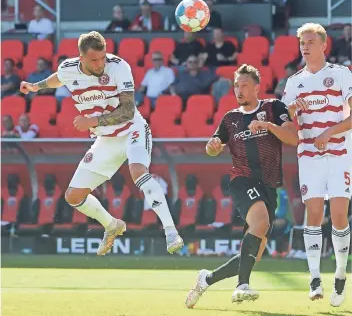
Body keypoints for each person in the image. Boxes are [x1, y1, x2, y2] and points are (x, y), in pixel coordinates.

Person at [19, 31, 184, 256]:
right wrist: (36, 87)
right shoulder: (69, 68)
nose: (100, 63)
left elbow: (127, 111)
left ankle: (171, 231)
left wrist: (93, 120)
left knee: (138, 171)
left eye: (102, 57)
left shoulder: (118, 67)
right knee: (73, 196)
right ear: (81, 58)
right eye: (94, 60)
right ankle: (112, 225)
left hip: (132, 129)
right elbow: (59, 77)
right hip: (106, 139)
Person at [185, 64, 298, 307]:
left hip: (269, 185)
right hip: (242, 180)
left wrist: (268, 126)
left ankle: (207, 279)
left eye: (244, 85)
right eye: (236, 85)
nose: (239, 90)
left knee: (253, 254)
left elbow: (293, 137)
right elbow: (212, 145)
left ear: (257, 88)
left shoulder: (273, 108)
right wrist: (212, 147)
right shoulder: (230, 118)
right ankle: (241, 286)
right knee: (261, 222)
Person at [282, 23, 352, 307]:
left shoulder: (340, 74)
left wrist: (328, 132)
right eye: (302, 42)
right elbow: (286, 121)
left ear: (324, 45)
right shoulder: (293, 82)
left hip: (340, 152)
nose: (305, 46)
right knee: (313, 212)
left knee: (338, 216)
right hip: (309, 155)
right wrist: (290, 112)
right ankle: (314, 278)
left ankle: (339, 274)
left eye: (311, 41)